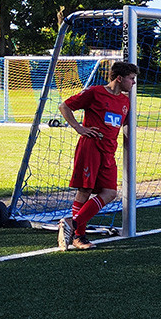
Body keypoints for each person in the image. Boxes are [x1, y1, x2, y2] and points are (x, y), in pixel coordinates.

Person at [56, 61, 139, 250]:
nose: (133, 83)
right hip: (91, 147)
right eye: (131, 79)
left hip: (109, 152)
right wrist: (78, 127)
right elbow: (65, 106)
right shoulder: (94, 92)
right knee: (85, 190)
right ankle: (79, 237)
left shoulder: (125, 101)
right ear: (119, 78)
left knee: (110, 192)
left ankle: (72, 223)